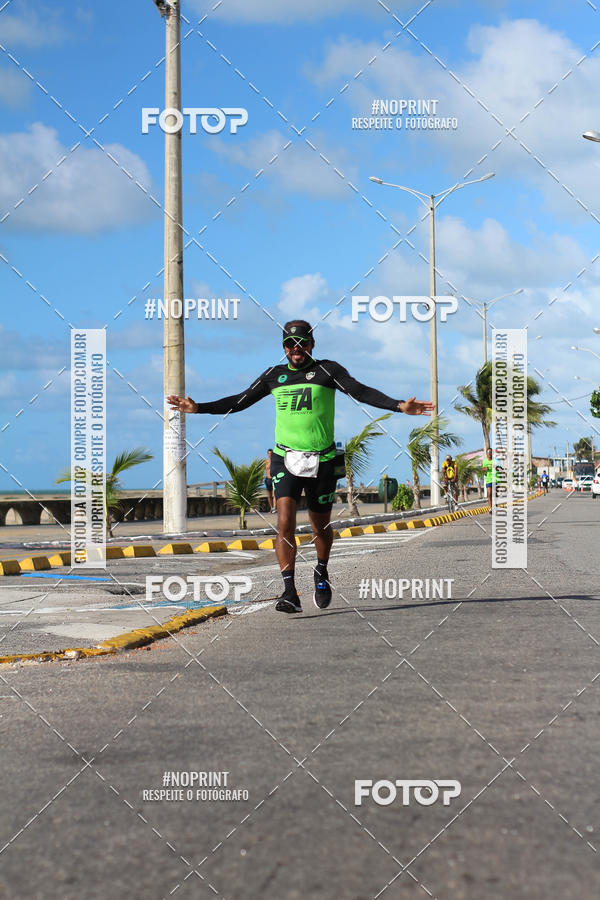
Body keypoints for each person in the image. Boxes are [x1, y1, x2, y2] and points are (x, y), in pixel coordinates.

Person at [167, 320, 433, 614]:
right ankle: (289, 590)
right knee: (284, 521)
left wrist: (398, 406)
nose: (297, 349)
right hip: (285, 458)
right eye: (291, 345)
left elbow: (360, 391)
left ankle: (321, 570)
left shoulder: (328, 370)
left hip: (324, 459)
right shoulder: (273, 376)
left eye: (302, 343)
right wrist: (199, 407)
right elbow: (240, 401)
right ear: (283, 348)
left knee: (320, 525)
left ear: (312, 344)